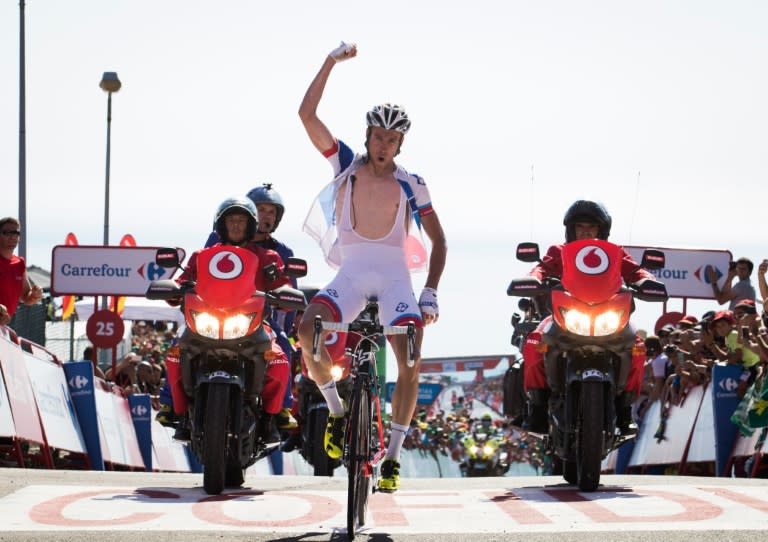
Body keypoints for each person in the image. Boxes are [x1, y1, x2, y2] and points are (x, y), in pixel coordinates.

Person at [297, 41, 447, 492]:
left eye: (392, 139)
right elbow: (306, 115)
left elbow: (439, 240)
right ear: (368, 138)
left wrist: (431, 290)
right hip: (351, 275)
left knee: (411, 360)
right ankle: (339, 416)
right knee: (307, 334)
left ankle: (394, 459)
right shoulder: (346, 164)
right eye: (378, 137)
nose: (383, 145)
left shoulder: (411, 183)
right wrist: (328, 62)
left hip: (397, 280)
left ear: (401, 143)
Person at [521, 200, 655, 435]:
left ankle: (624, 411)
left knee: (638, 347)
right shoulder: (558, 251)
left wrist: (648, 280)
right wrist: (533, 278)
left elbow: (635, 270)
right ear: (570, 229)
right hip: (566, 314)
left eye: (591, 227)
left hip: (608, 315)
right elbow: (541, 268)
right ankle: (538, 409)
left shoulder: (616, 253)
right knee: (533, 341)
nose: (585, 232)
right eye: (580, 227)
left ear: (601, 231)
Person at [171, 197, 292, 443]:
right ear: (221, 225)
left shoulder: (268, 256)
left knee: (279, 361)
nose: (236, 225)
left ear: (251, 224)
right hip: (206, 321)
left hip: (254, 323)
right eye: (231, 220)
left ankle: (270, 419)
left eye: (242, 220)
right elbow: (181, 283)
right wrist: (173, 290)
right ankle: (181, 415)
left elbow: (284, 284)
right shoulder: (201, 256)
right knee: (174, 355)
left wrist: (285, 292)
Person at [0, 217, 43, 326]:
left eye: (16, 233)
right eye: (7, 233)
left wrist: (35, 295)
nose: (12, 237)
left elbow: (26, 298)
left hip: (4, 327)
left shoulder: (19, 263)